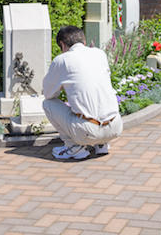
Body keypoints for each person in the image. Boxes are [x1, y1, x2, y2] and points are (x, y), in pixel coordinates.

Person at [42, 25, 122, 161]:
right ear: (84, 42)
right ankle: (101, 144)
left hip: (87, 131)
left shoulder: (62, 60)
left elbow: (48, 94)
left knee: (48, 104)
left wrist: (62, 86)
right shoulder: (99, 54)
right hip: (115, 127)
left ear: (62, 44)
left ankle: (74, 147)